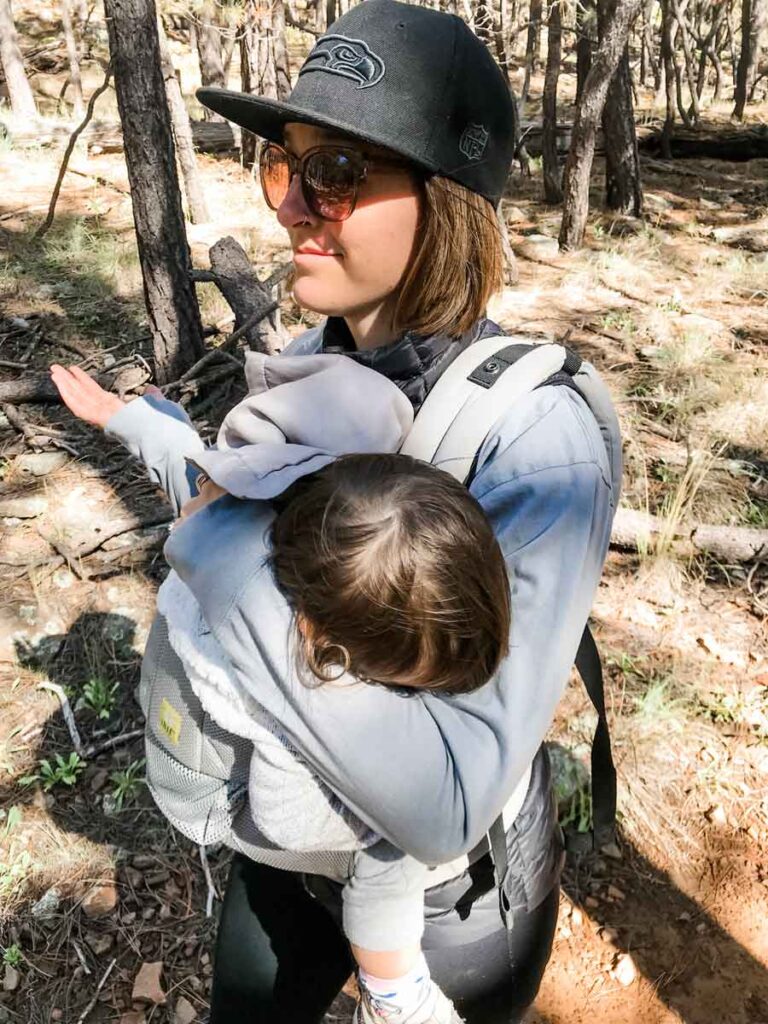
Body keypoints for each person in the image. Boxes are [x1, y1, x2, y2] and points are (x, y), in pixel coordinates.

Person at [52, 1, 621, 1020]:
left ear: (446, 199)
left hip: (444, 907)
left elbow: (448, 796)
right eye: (286, 164)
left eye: (340, 172)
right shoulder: (324, 359)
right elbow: (254, 522)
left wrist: (215, 537)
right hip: (287, 839)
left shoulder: (539, 437)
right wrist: (152, 432)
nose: (291, 206)